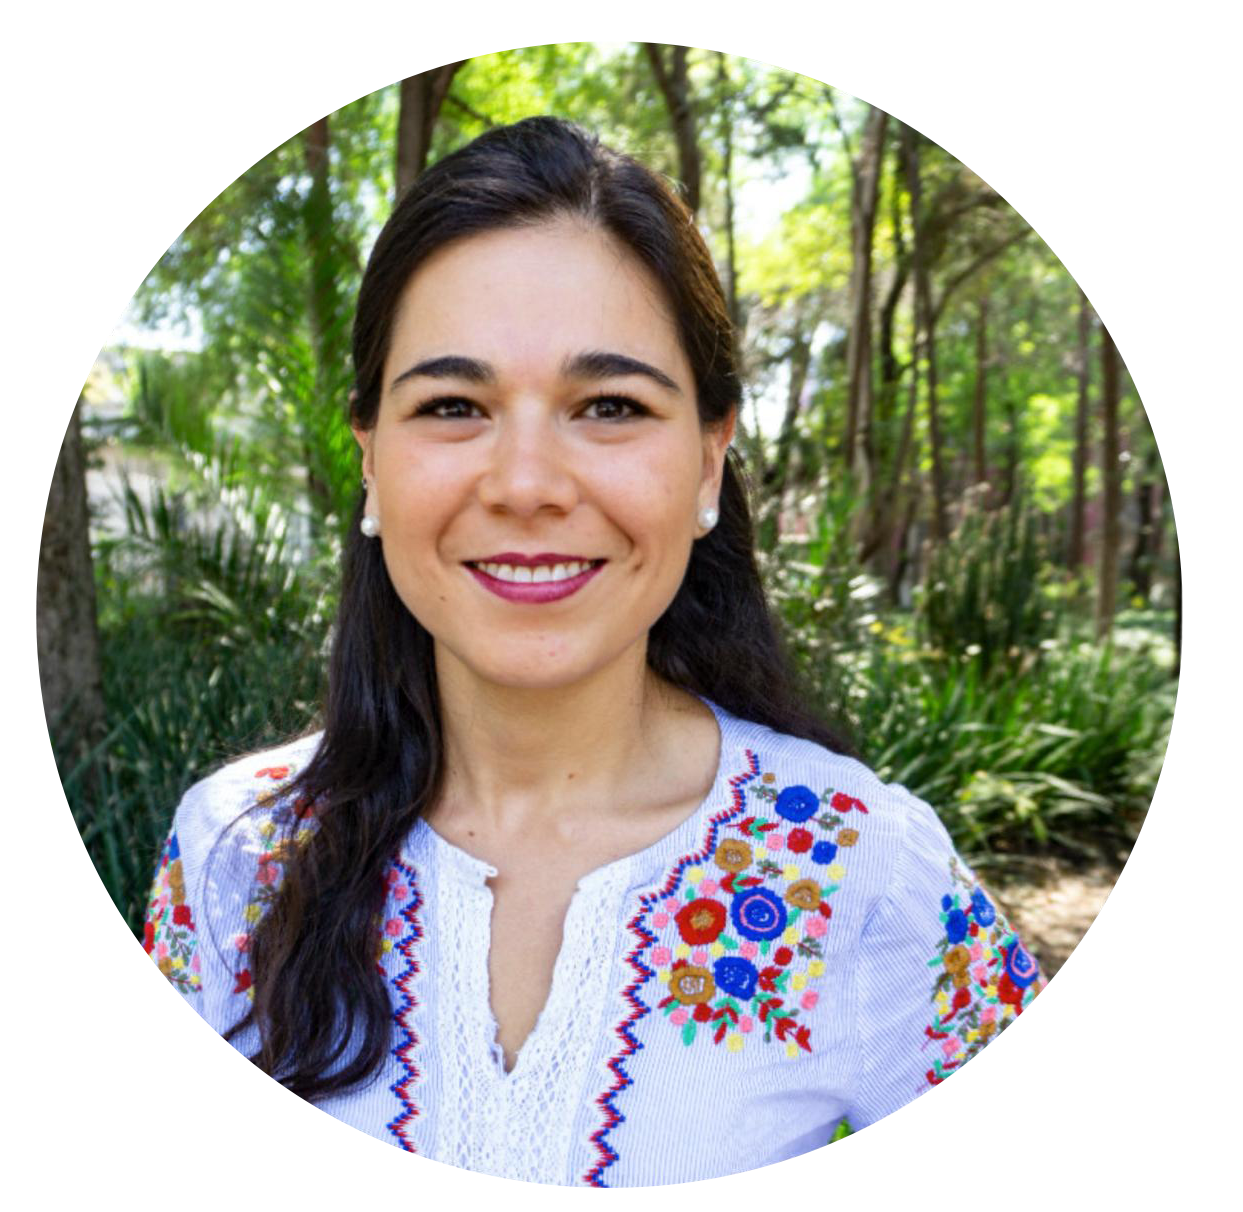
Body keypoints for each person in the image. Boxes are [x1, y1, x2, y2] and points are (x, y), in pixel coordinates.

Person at [141, 116, 1046, 1187]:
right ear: (371, 463)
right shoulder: (237, 856)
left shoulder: (862, 869)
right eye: (452, 405)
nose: (526, 483)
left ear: (707, 462)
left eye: (610, 405)